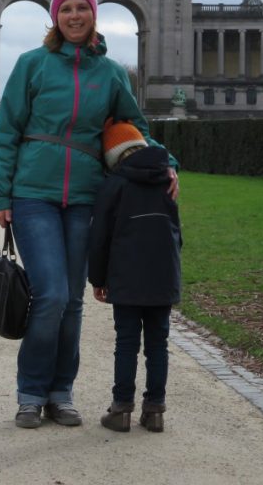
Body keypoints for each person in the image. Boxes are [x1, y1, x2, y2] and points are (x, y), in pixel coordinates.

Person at [0, 0, 179, 430]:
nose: (75, 15)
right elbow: (7, 130)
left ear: (94, 15)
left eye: (83, 8)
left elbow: (134, 127)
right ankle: (31, 392)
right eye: (66, 8)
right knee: (50, 294)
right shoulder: (32, 65)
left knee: (73, 299)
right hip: (33, 193)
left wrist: (166, 161)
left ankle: (61, 392)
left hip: (86, 196)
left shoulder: (111, 73)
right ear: (55, 17)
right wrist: (0, 194)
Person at [88, 119, 182, 434]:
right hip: (162, 276)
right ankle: (155, 409)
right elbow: (176, 233)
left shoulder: (114, 184)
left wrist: (97, 279)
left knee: (126, 343)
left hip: (125, 275)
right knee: (158, 343)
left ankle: (121, 408)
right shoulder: (166, 179)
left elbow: (99, 237)